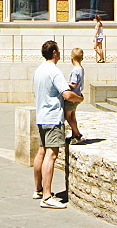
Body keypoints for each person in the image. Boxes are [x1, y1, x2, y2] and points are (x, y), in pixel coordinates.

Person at [32, 40, 82, 209]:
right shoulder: (55, 71)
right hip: (53, 118)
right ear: (54, 53)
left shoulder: (39, 70)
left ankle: (38, 189)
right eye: (58, 51)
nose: (60, 54)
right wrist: (80, 98)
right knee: (51, 155)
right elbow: (67, 94)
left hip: (41, 116)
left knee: (41, 152)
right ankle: (46, 196)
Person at [64, 48, 85, 144]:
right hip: (78, 94)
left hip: (72, 96)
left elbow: (74, 84)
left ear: (72, 58)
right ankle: (74, 135)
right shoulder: (81, 69)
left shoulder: (75, 70)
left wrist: (65, 83)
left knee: (67, 116)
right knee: (73, 115)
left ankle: (77, 133)